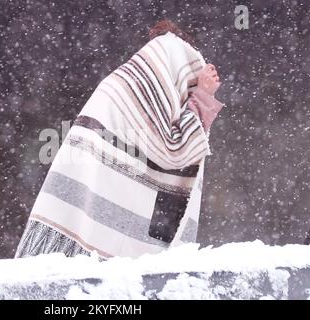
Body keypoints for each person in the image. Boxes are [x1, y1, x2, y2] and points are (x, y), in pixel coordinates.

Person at [15, 19, 224, 260]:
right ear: (171, 67)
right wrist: (203, 95)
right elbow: (176, 150)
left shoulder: (125, 85)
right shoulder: (135, 93)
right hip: (101, 237)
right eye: (186, 82)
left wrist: (200, 96)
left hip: (84, 225)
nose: (185, 94)